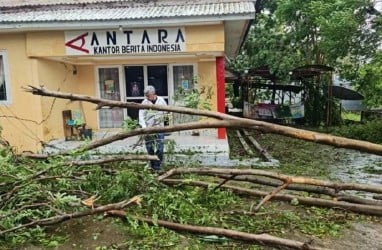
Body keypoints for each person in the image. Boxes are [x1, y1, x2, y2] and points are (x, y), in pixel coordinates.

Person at [138, 85, 167, 171]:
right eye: (146, 95)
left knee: (160, 147)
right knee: (149, 147)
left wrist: (167, 126)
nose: (146, 97)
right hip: (149, 129)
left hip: (160, 127)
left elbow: (166, 113)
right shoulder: (144, 103)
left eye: (148, 95)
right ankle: (152, 165)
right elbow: (141, 116)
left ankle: (158, 166)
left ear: (153, 94)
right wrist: (144, 127)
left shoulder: (161, 101)